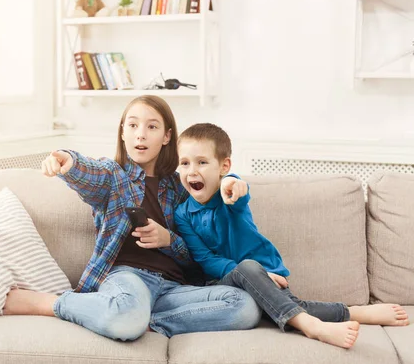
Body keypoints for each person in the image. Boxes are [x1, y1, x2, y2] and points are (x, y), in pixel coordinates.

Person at [2, 95, 261, 340]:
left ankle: (144, 322)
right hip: (127, 279)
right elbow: (89, 173)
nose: (141, 134)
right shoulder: (113, 176)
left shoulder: (180, 186)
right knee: (126, 311)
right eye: (133, 125)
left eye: (152, 127)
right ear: (123, 132)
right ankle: (50, 303)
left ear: (167, 136)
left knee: (244, 306)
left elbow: (197, 255)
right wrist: (67, 161)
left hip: (173, 288)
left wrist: (167, 239)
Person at [174, 122, 410, 349]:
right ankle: (317, 324)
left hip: (265, 270)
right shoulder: (183, 214)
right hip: (225, 282)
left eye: (202, 162)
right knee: (249, 270)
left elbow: (238, 190)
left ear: (224, 166)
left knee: (286, 303)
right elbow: (205, 259)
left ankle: (346, 315)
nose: (192, 171)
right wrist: (258, 274)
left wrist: (233, 183)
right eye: (184, 163)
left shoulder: (230, 194)